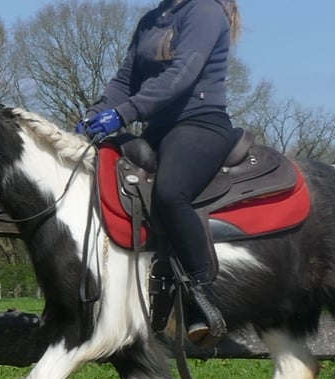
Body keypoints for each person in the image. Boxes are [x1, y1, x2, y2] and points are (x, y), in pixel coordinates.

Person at [78, 0, 241, 346]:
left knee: (170, 192)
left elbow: (181, 75)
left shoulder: (204, 11)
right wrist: (98, 111)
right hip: (157, 128)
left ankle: (202, 294)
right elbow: (125, 80)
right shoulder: (151, 20)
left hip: (200, 123)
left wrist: (125, 113)